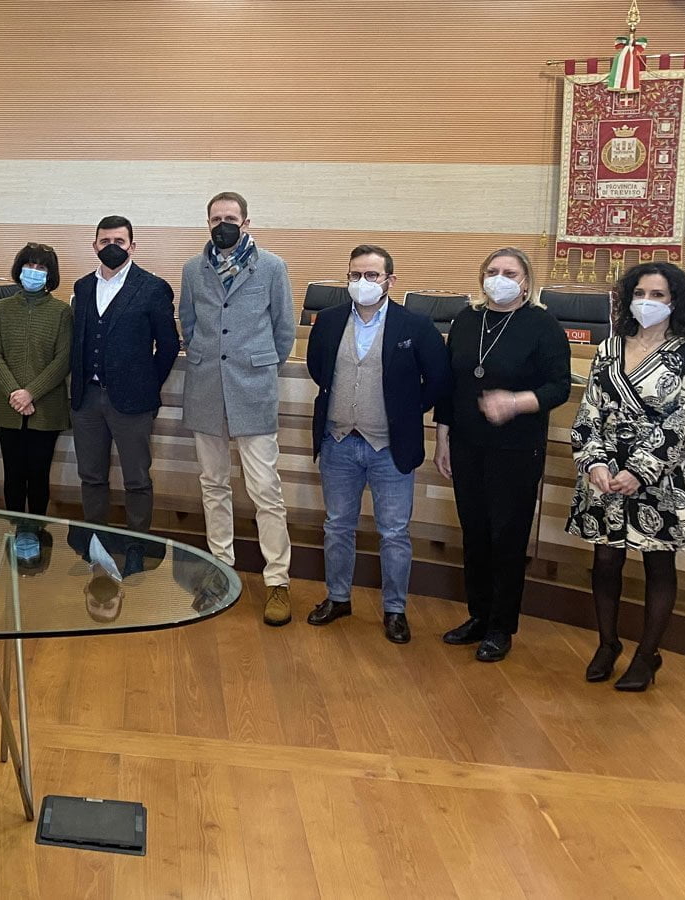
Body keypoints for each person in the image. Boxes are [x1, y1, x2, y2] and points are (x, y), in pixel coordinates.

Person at [568, 261, 685, 690]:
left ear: (675, 302)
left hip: (661, 477)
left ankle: (648, 655)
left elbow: (683, 423)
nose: (647, 302)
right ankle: (607, 643)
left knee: (658, 562)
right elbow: (589, 410)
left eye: (658, 295)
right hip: (605, 474)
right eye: (640, 294)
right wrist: (594, 461)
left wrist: (639, 472)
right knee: (605, 559)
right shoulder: (609, 348)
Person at [304, 245, 452, 643]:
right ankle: (338, 598)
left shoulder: (415, 325)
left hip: (390, 447)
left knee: (394, 532)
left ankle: (395, 610)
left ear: (390, 280)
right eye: (355, 275)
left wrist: (407, 410)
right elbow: (318, 368)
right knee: (337, 526)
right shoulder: (329, 321)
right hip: (338, 442)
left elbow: (438, 379)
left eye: (372, 275)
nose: (362, 282)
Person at [434, 247, 572, 661]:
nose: (499, 278)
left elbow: (559, 387)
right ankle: (478, 616)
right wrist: (442, 437)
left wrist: (515, 402)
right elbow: (451, 384)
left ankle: (500, 626)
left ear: (526, 282)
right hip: (466, 443)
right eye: (492, 271)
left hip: (516, 448)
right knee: (474, 534)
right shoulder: (466, 319)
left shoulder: (542, 325)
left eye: (510, 273)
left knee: (506, 538)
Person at [178, 192, 296, 626]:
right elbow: (188, 322)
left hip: (253, 390)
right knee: (213, 484)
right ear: (207, 222)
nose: (223, 224)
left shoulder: (272, 267)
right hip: (206, 388)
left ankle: (278, 580)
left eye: (231, 217)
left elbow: (284, 330)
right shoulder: (193, 269)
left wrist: (258, 367)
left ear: (246, 222)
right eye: (216, 218)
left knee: (266, 490)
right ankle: (220, 571)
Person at [69, 215, 180, 557]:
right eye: (105, 241)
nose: (112, 247)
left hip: (133, 402)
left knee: (137, 479)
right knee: (91, 476)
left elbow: (168, 346)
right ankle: (96, 542)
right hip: (87, 399)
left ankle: (136, 546)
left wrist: (147, 384)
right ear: (94, 246)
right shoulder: (82, 287)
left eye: (119, 241)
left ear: (132, 246)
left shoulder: (153, 288)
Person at [0, 242, 72, 518]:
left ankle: (36, 532)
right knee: (12, 474)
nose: (34, 271)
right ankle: (13, 529)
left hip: (46, 408)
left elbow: (63, 360)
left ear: (50, 274)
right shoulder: (1, 308)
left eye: (41, 267)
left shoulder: (62, 312)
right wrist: (15, 392)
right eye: (29, 265)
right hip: (7, 406)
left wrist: (30, 393)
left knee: (38, 475)